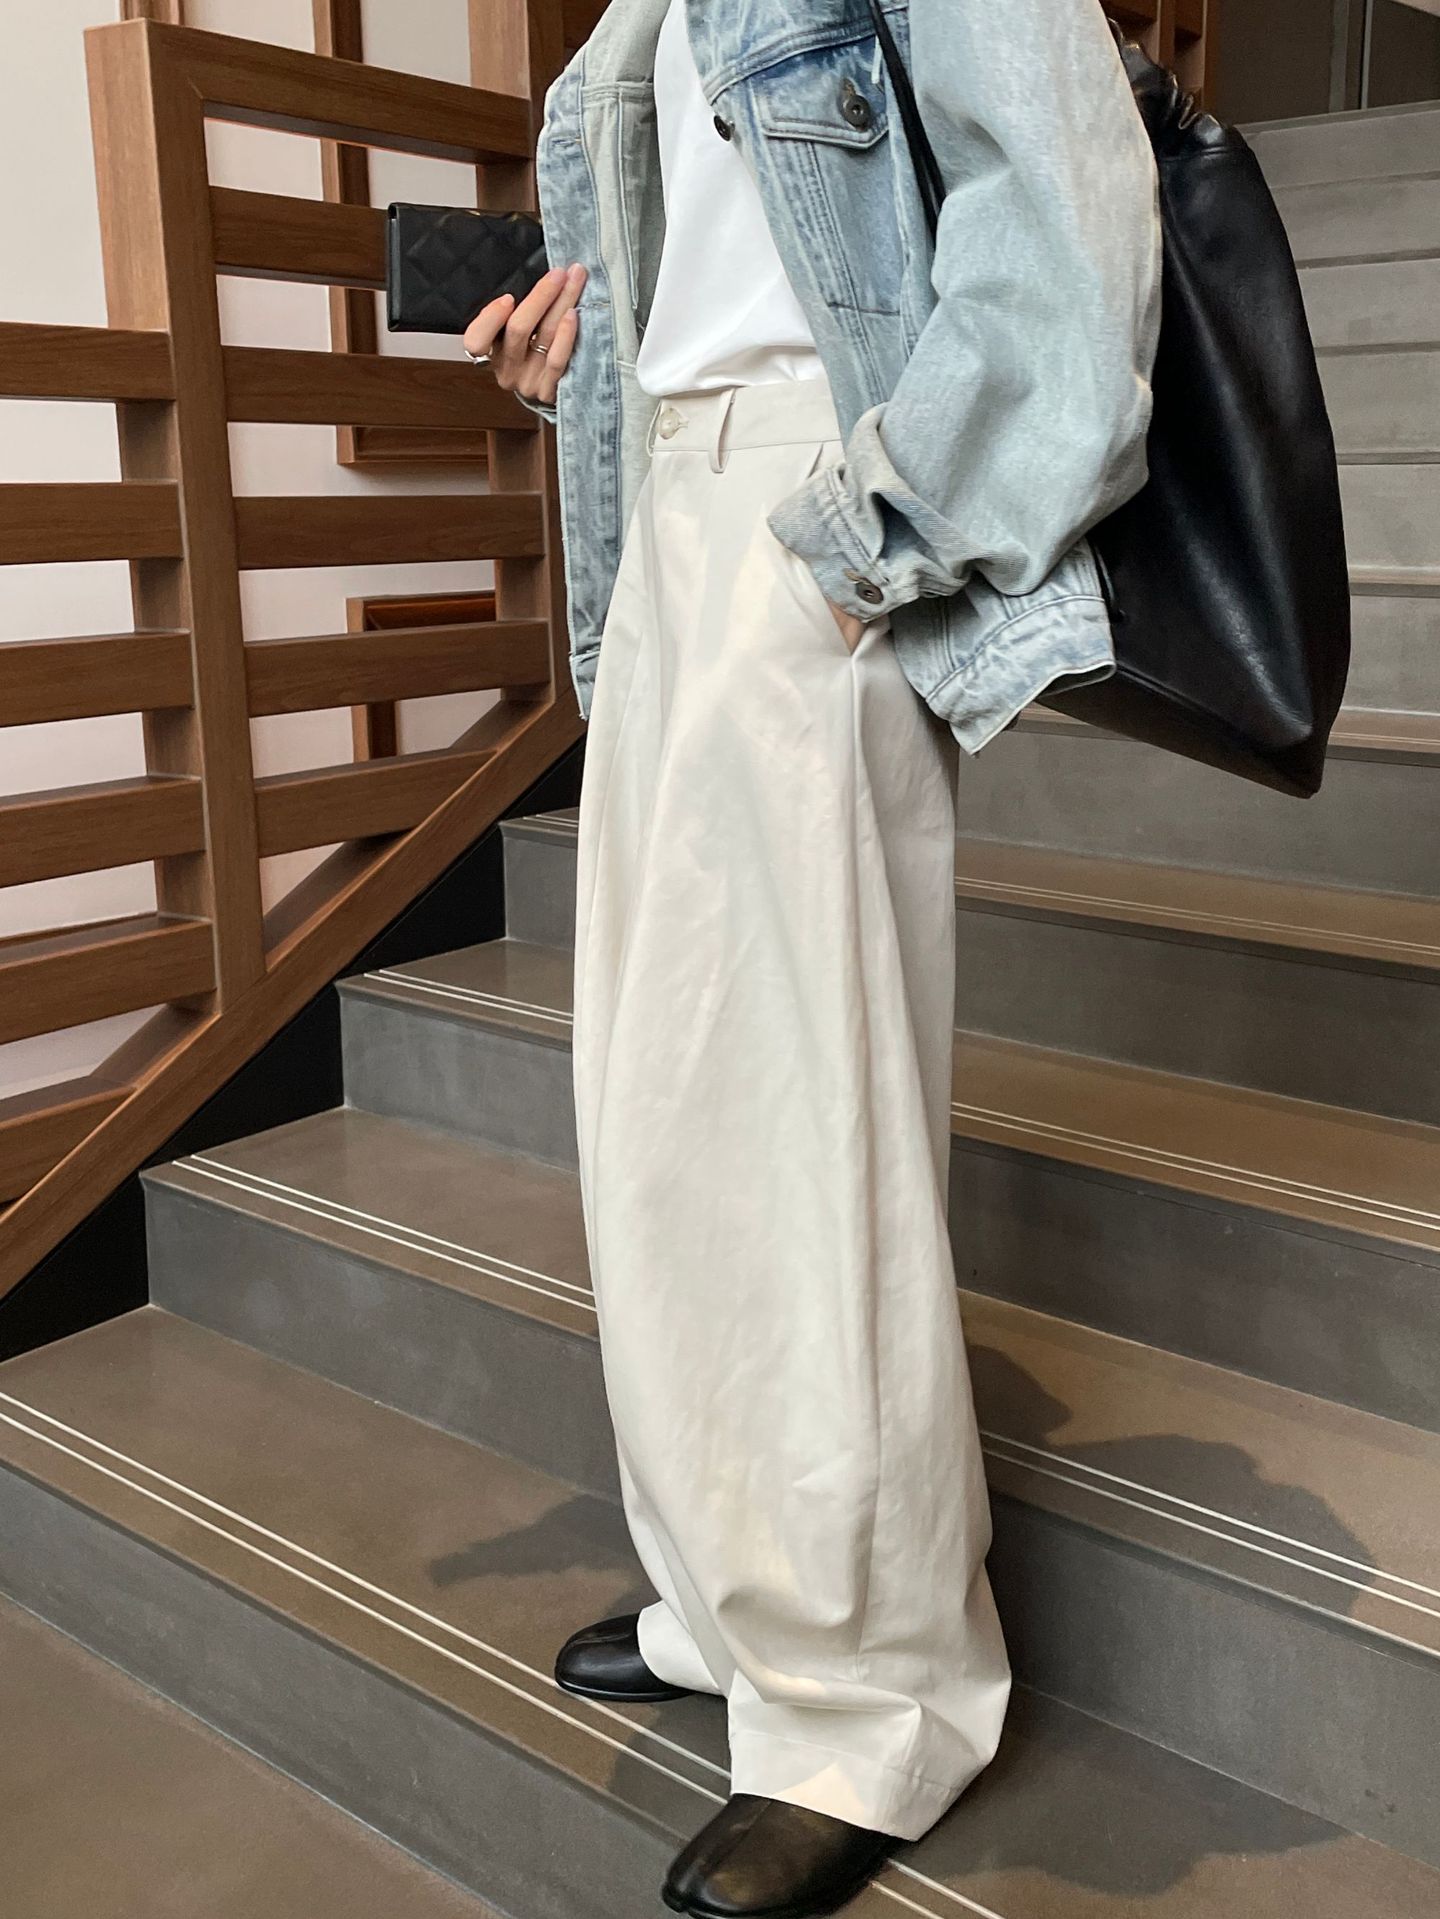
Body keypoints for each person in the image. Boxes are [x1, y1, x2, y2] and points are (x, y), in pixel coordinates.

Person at [464, 3, 1160, 1914]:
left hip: (816, 512)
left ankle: (869, 1699)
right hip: (670, 517)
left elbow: (1069, 227)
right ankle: (733, 1603)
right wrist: (573, 371)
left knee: (801, 1135)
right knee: (664, 1125)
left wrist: (882, 526)